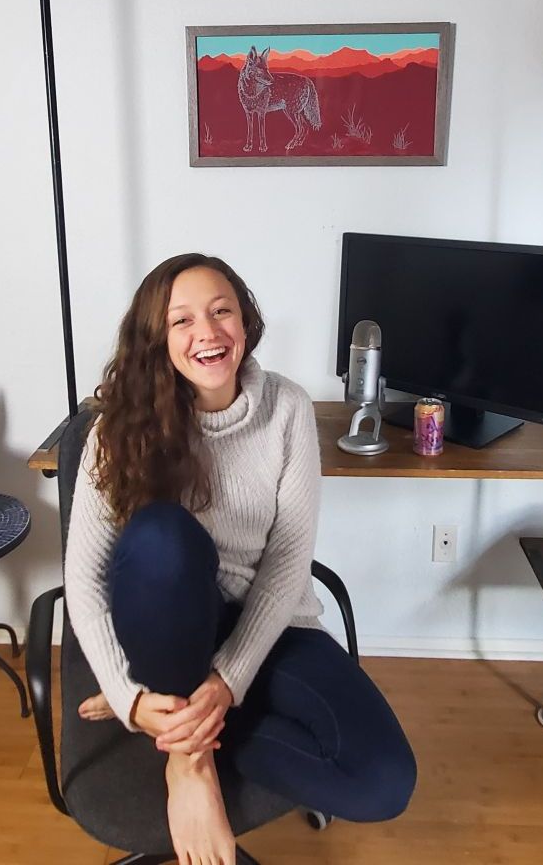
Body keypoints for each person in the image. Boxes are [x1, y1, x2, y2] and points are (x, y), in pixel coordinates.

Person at [66, 253, 416, 865]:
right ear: (156, 338)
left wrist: (227, 681)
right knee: (165, 537)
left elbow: (288, 561)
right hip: (164, 621)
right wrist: (129, 695)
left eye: (221, 311)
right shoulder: (116, 429)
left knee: (384, 781)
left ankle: (185, 721)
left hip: (267, 624)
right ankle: (189, 763)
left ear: (245, 321)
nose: (207, 332)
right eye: (182, 320)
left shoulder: (287, 408)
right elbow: (84, 578)